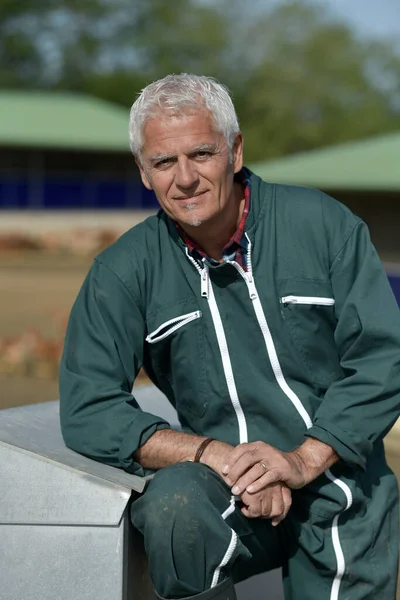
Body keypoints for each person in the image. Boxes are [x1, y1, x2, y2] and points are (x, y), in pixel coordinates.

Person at [59, 73, 400, 600]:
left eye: (201, 153)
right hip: (223, 490)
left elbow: (383, 357)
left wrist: (303, 460)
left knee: (355, 509)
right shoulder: (123, 272)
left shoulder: (324, 226)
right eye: (163, 162)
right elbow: (89, 407)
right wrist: (216, 455)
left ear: (236, 151)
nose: (185, 178)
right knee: (175, 507)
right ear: (144, 174)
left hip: (338, 477)